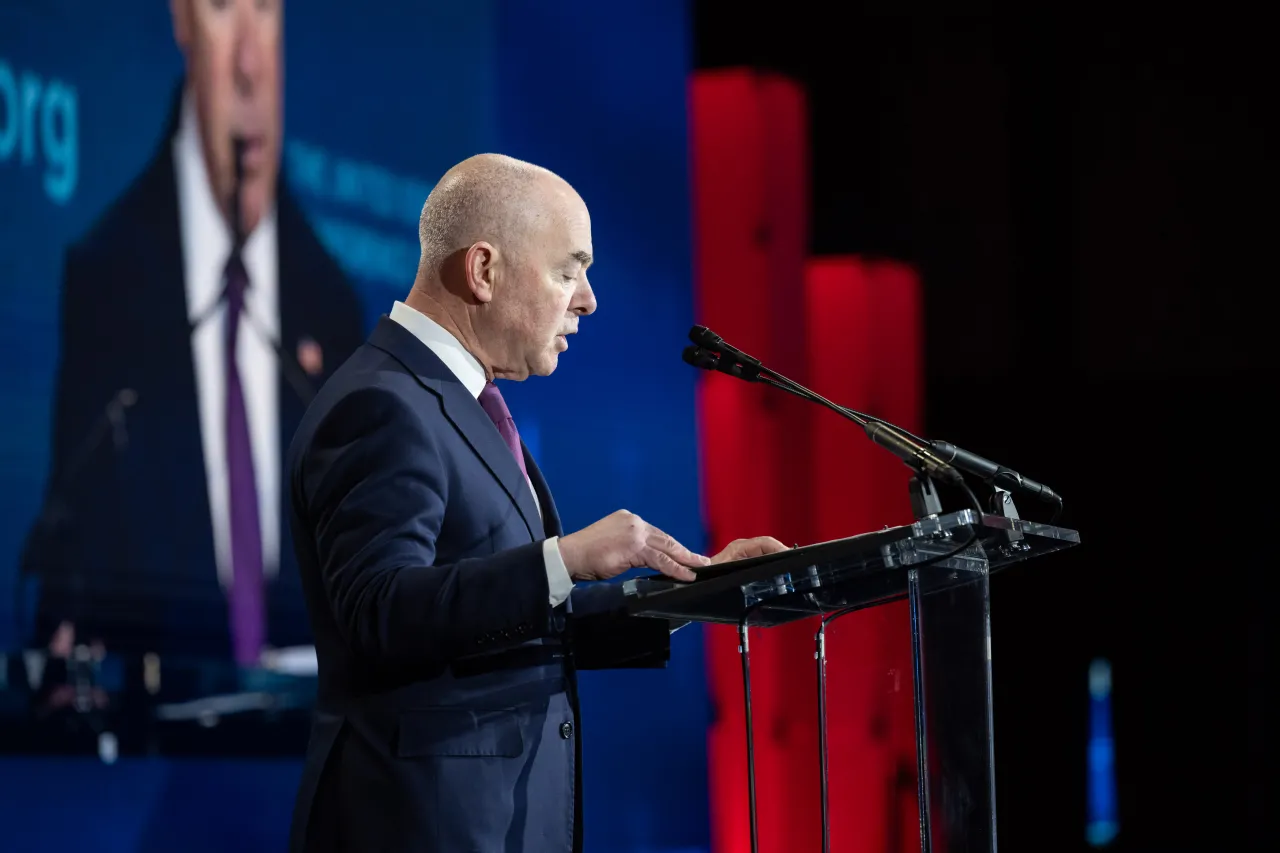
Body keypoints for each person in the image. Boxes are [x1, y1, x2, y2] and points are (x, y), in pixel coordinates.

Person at [286, 153, 786, 852]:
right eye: (567, 270)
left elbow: (507, 622)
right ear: (483, 270)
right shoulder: (383, 403)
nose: (587, 299)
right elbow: (381, 612)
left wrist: (697, 593)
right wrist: (566, 558)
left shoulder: (463, 403)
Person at [21, 0, 364, 664]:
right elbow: (69, 571)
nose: (248, 65)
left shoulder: (332, 302)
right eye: (220, 11)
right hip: (158, 755)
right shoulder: (105, 278)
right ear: (181, 21)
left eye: (264, 13)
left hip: (304, 752)